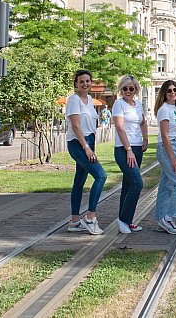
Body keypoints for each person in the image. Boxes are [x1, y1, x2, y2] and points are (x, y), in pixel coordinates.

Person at [65, 69, 107, 235]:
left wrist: (90, 144)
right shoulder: (74, 100)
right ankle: (90, 216)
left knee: (79, 181)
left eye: (87, 81)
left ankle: (75, 221)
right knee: (101, 176)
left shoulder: (89, 99)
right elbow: (75, 126)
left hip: (89, 141)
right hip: (78, 143)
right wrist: (86, 148)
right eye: (81, 81)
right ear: (76, 83)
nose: (85, 84)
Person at [112, 75, 149, 234]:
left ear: (135, 90)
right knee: (137, 184)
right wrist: (128, 150)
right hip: (123, 149)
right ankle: (123, 220)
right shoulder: (118, 104)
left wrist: (145, 138)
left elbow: (143, 122)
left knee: (128, 186)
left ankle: (127, 220)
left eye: (131, 88)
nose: (128, 91)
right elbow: (120, 128)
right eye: (125, 88)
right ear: (120, 90)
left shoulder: (138, 104)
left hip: (137, 147)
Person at [154, 79, 176, 234]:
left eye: (175, 90)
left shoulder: (174, 108)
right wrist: (173, 157)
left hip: (174, 146)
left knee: (166, 185)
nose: (173, 92)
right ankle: (168, 216)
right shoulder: (164, 110)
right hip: (167, 148)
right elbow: (165, 135)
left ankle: (161, 217)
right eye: (169, 90)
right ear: (164, 93)